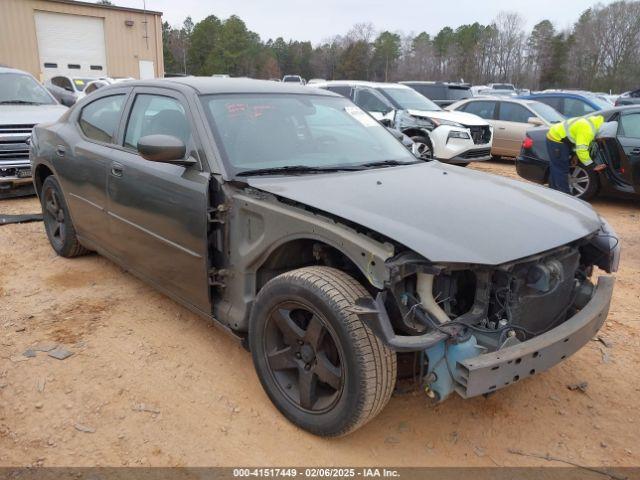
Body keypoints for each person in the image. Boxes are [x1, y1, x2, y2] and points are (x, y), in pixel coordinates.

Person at [546, 114, 606, 194]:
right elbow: (581, 150)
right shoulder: (588, 130)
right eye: (602, 139)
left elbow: (577, 141)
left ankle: (552, 192)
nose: (601, 140)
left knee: (556, 167)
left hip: (562, 137)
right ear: (602, 133)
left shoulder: (596, 123)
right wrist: (593, 166)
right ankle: (565, 196)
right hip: (556, 138)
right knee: (561, 169)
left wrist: (575, 156)